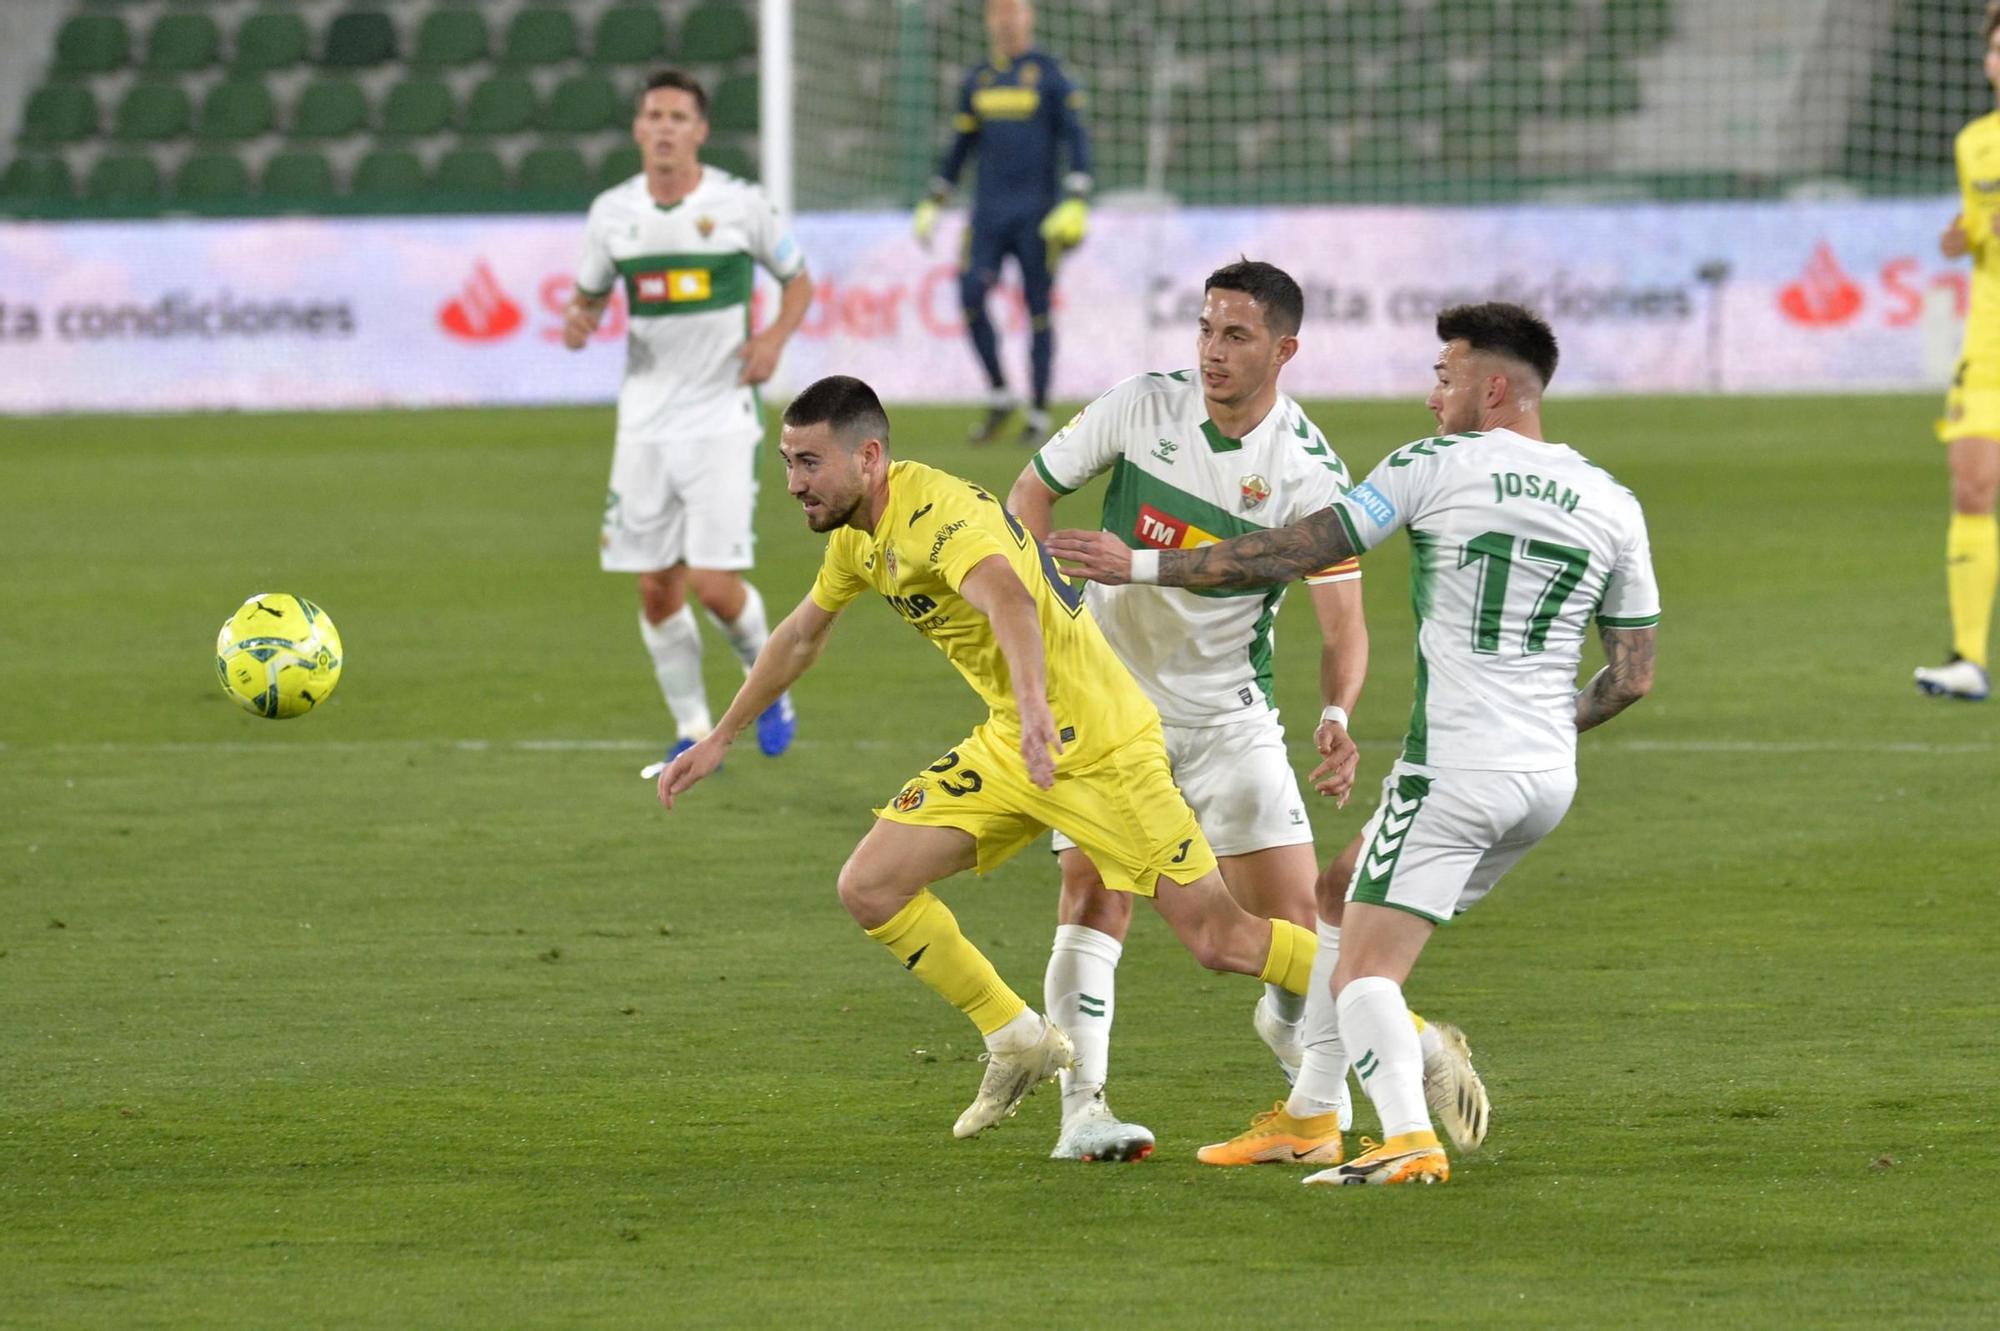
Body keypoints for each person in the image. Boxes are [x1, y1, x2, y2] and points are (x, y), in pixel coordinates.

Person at [1048, 303, 1659, 1185]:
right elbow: (1632, 673)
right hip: (1545, 778)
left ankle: (1408, 1136)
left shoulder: (1432, 465)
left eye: (1444, 377)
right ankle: (1309, 1116)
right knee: (1333, 896)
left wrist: (1141, 564)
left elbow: (1295, 551)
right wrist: (1541, 728)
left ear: (1492, 389)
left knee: (1364, 971)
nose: (1429, 395)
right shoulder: (1613, 500)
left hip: (1455, 768)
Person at [656, 375, 1323, 1142]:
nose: (793, 483)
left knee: (1220, 938)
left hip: (1098, 743)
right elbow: (802, 633)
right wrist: (721, 735)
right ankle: (1016, 1037)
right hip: (1018, 739)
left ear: (868, 457)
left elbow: (1008, 595)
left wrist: (1037, 705)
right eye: (786, 460)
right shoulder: (856, 535)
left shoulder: (938, 514)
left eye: (808, 463)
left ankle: (1398, 1023)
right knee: (870, 885)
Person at [564, 69, 817, 766]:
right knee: (655, 589)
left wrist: (771, 341)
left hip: (721, 417)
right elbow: (585, 299)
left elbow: (799, 281)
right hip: (643, 424)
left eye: (680, 115)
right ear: (640, 129)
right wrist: (578, 321)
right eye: (655, 115)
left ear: (700, 130)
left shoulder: (739, 206)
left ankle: (768, 692)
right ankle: (690, 725)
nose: (667, 126)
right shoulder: (612, 213)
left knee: (713, 584)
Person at [913, 0, 1092, 446]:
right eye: (998, 11)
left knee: (1037, 309)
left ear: (1029, 16)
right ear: (989, 20)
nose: (1007, 18)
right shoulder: (978, 79)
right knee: (971, 293)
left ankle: (1037, 411)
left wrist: (1077, 197)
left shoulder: (1050, 74)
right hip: (988, 215)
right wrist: (937, 197)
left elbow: (1076, 136)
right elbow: (961, 144)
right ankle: (998, 392)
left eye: (1014, 10)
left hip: (1038, 216)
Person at [1916, 0, 2000, 702]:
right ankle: (1969, 657)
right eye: (1997, 49)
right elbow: (1978, 228)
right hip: (1989, 347)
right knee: (1972, 485)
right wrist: (1962, 235)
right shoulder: (1974, 141)